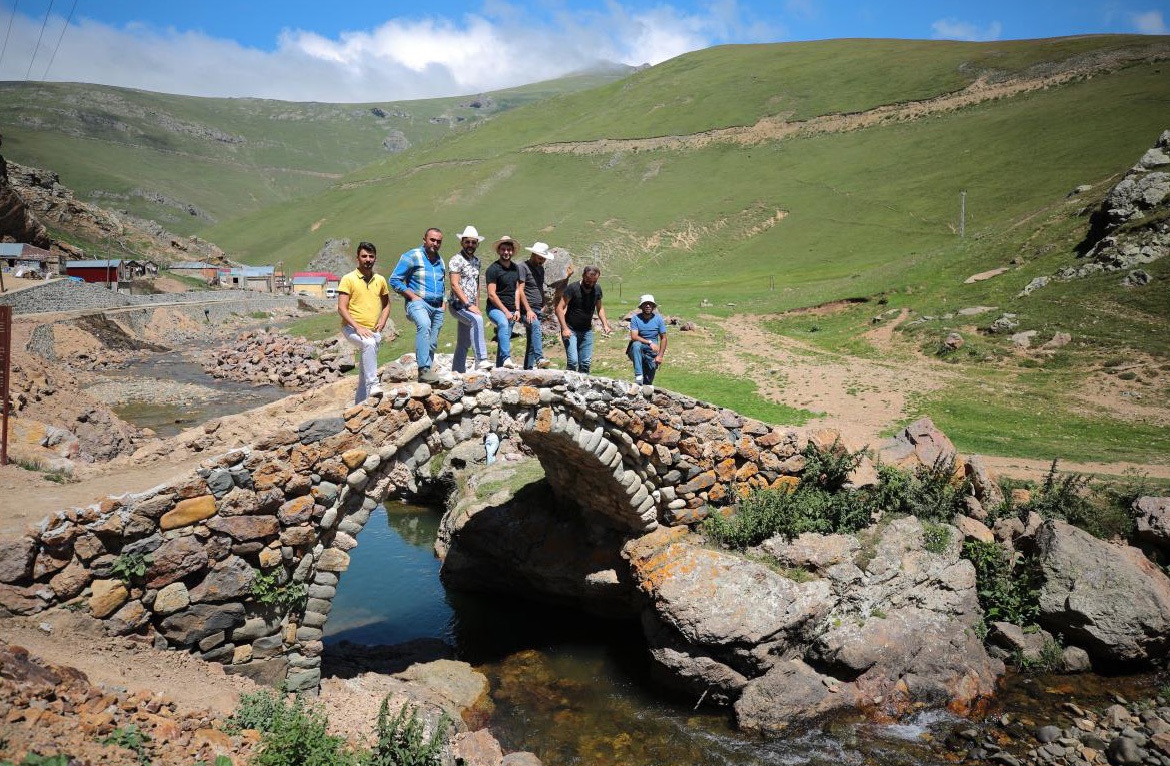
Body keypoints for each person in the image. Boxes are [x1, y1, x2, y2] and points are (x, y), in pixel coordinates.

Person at [389, 227, 446, 384]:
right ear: (424, 240)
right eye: (432, 240)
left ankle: (428, 374)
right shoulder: (412, 256)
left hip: (438, 306)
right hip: (418, 302)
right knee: (424, 324)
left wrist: (444, 304)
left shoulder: (440, 261)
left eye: (438, 241)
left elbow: (443, 284)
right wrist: (412, 296)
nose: (435, 243)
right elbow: (394, 280)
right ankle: (424, 370)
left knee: (433, 341)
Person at [337, 241, 391, 403]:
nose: (368, 259)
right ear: (357, 258)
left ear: (375, 258)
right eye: (364, 256)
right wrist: (357, 327)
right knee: (368, 344)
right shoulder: (348, 279)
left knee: (364, 369)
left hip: (372, 330)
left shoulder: (380, 280)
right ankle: (374, 384)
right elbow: (341, 308)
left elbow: (387, 304)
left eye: (371, 256)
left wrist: (382, 321)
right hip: (351, 328)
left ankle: (359, 403)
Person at [447, 225, 493, 373]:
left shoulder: (477, 261)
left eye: (473, 243)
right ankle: (481, 359)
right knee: (477, 320)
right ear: (462, 242)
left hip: (470, 305)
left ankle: (457, 372)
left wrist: (476, 305)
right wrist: (468, 304)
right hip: (458, 304)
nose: (470, 245)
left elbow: (477, 284)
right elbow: (454, 284)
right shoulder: (456, 260)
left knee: (464, 342)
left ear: (477, 244)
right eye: (467, 242)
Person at [555, 265, 611, 374]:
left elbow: (599, 308)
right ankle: (568, 386)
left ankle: (583, 387)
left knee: (585, 363)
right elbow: (559, 308)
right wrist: (564, 328)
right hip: (570, 329)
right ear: (583, 276)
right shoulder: (573, 288)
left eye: (594, 281)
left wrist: (605, 324)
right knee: (573, 361)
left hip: (587, 330)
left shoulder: (597, 289)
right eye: (588, 281)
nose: (590, 284)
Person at [484, 235, 522, 368]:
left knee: (503, 337)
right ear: (499, 251)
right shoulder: (493, 269)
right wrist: (505, 311)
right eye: (504, 249)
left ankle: (500, 369)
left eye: (509, 250)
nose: (506, 252)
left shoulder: (515, 268)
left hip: (512, 309)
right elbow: (491, 294)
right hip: (495, 308)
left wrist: (517, 309)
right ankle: (506, 358)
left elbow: (517, 290)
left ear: (512, 251)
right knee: (503, 324)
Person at [517, 241, 554, 369]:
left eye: (543, 259)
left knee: (532, 340)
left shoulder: (540, 269)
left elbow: (539, 286)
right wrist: (528, 310)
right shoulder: (523, 267)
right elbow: (520, 290)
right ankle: (539, 358)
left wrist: (543, 302)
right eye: (539, 258)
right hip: (526, 309)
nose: (541, 261)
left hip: (538, 308)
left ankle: (528, 368)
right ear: (533, 254)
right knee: (536, 327)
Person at [628, 294, 667, 385]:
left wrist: (660, 356)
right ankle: (638, 375)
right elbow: (634, 337)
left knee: (648, 382)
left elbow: (664, 338)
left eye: (650, 304)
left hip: (652, 353)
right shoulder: (635, 319)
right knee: (636, 344)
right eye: (645, 304)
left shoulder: (658, 319)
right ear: (641, 306)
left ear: (653, 306)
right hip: (638, 350)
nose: (648, 306)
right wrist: (649, 342)